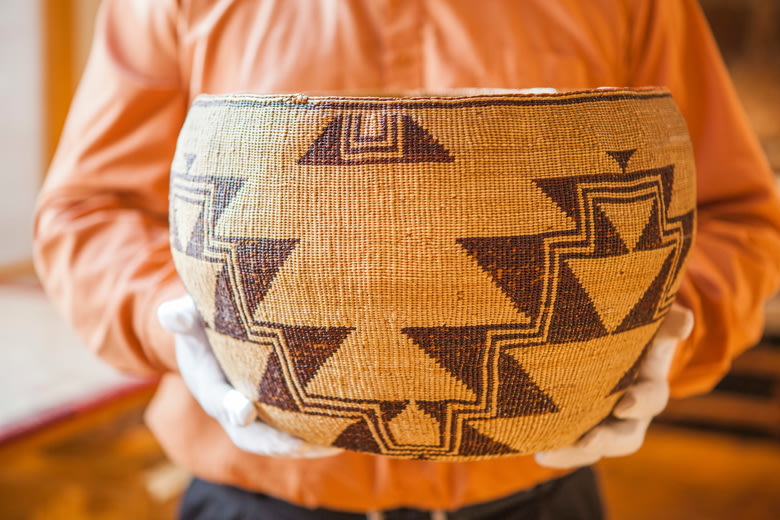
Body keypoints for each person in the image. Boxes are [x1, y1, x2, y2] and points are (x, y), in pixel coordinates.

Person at [33, 0, 780, 518]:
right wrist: (177, 323)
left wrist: (676, 327)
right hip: (258, 499)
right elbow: (85, 213)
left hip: (537, 497)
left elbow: (739, 217)